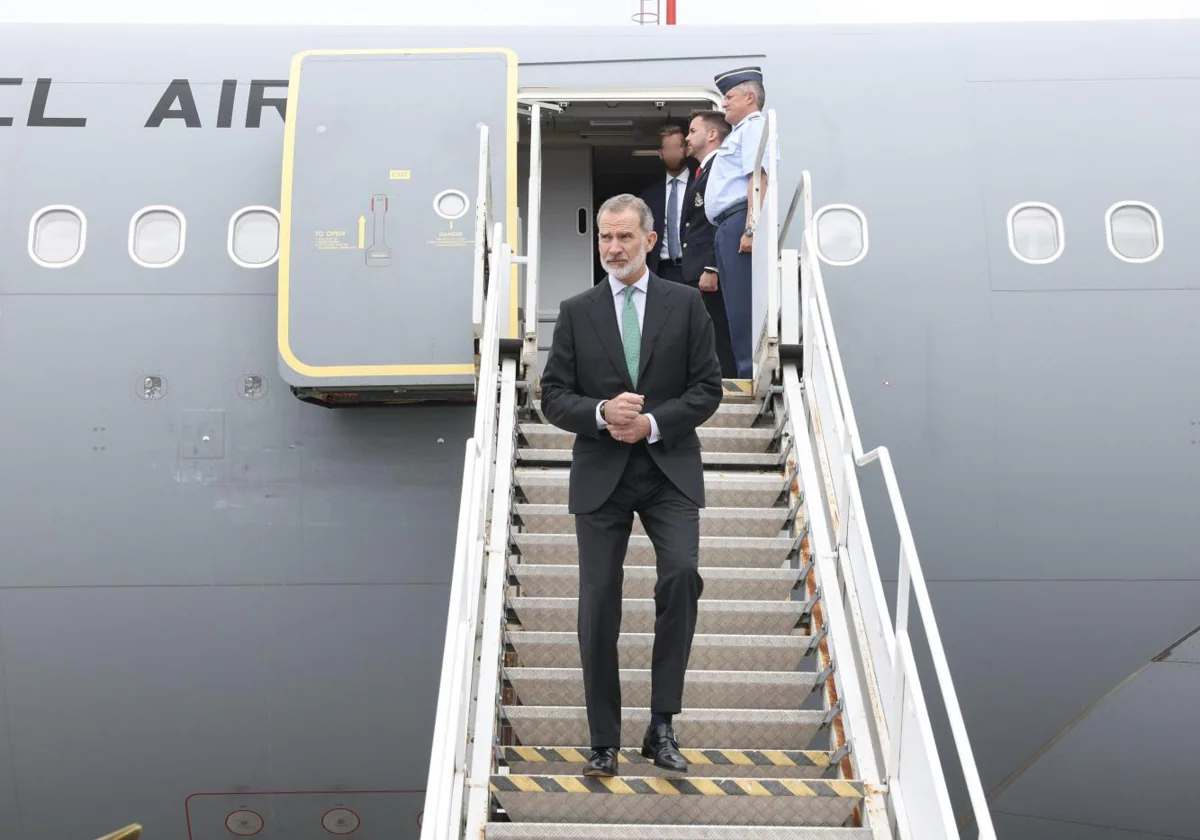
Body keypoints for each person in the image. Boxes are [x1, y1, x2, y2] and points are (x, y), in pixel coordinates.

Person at [539, 193, 723, 778]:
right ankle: (603, 740)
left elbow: (707, 389)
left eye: (623, 238)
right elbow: (553, 396)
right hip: (602, 473)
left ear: (649, 239)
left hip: (667, 467)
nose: (612, 248)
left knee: (681, 575)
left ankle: (661, 725)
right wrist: (600, 413)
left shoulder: (687, 304)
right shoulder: (576, 309)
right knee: (598, 602)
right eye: (604, 238)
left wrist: (650, 423)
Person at [704, 66, 770, 379]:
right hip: (728, 226)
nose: (724, 104)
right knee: (734, 304)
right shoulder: (743, 131)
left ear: (749, 97)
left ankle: (748, 370)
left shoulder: (755, 126)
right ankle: (744, 369)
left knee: (743, 303)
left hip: (739, 222)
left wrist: (751, 229)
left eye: (729, 97)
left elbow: (759, 179)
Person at [682, 109, 738, 379]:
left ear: (713, 134)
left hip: (707, 269)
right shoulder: (704, 171)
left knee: (717, 333)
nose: (687, 138)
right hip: (696, 268)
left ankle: (727, 383)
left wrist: (711, 267)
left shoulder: (720, 168)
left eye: (693, 131)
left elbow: (719, 220)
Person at [639, 125, 694, 283]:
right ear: (660, 153)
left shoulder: (701, 185)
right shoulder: (649, 195)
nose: (672, 153)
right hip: (660, 271)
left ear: (686, 149)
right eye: (667, 148)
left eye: (676, 147)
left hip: (694, 269)